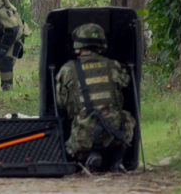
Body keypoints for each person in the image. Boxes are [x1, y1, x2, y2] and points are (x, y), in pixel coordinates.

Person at [55, 22, 136, 173]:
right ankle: (117, 159)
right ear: (101, 46)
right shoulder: (114, 66)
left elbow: (61, 104)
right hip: (116, 131)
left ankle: (89, 156)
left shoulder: (67, 70)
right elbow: (127, 91)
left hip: (84, 134)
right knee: (126, 117)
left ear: (78, 46)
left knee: (76, 134)